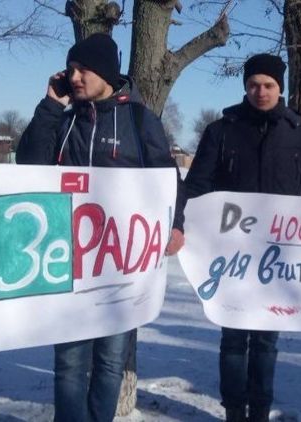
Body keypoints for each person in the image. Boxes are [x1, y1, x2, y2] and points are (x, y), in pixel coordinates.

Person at [16, 33, 185, 422]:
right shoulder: (64, 118)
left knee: (110, 361)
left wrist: (175, 224)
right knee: (70, 362)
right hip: (68, 260)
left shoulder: (140, 120)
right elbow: (29, 166)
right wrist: (50, 104)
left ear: (106, 72)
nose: (74, 77)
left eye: (83, 70)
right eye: (70, 70)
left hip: (121, 263)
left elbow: (167, 179)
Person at [183, 53, 301, 422]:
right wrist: (182, 222)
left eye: (268, 85)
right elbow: (197, 186)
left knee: (267, 341)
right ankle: (234, 412)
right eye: (253, 84)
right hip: (231, 256)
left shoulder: (297, 131)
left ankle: (260, 411)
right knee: (234, 340)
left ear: (279, 88)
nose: (261, 91)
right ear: (245, 86)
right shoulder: (222, 130)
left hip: (277, 260)